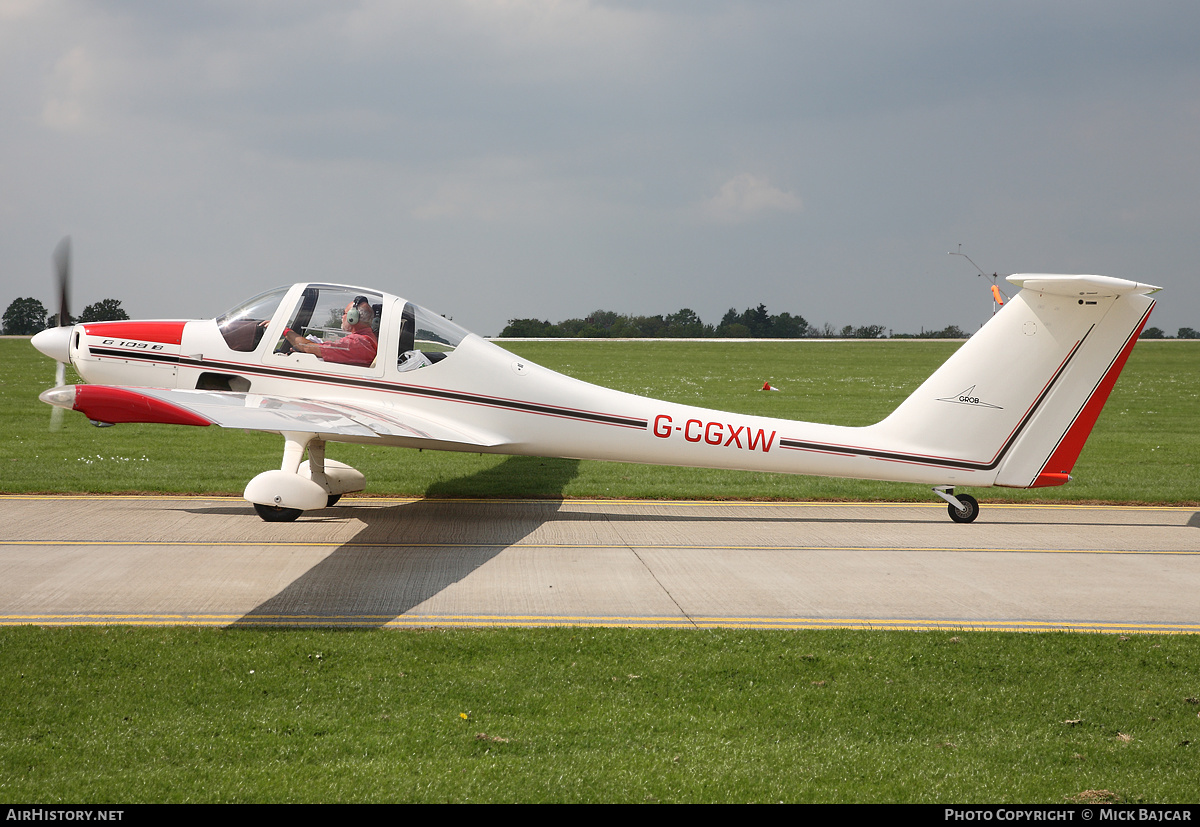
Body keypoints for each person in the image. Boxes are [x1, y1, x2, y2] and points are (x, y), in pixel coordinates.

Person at [282, 296, 378, 367]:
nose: (342, 317)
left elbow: (308, 347)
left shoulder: (356, 343)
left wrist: (285, 331)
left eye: (344, 313)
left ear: (352, 317)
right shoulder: (367, 339)